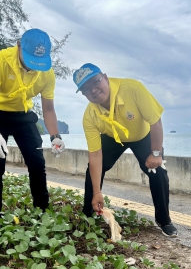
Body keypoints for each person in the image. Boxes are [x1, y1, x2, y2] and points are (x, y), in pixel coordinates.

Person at [73, 63, 178, 237]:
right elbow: (95, 154)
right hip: (113, 137)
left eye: (95, 82)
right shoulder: (89, 115)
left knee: (157, 171)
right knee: (93, 170)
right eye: (86, 89)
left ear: (105, 77)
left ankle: (164, 220)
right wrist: (97, 192)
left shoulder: (133, 88)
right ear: (83, 94)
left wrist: (156, 153)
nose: (93, 90)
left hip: (142, 135)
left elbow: (155, 121)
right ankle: (89, 213)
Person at [0, 28, 65, 223]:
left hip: (24, 115)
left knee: (37, 163)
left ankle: (42, 210)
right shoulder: (1, 60)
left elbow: (49, 109)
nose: (32, 68)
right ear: (19, 45)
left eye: (38, 63)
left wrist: (55, 136)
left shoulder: (47, 74)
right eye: (29, 61)